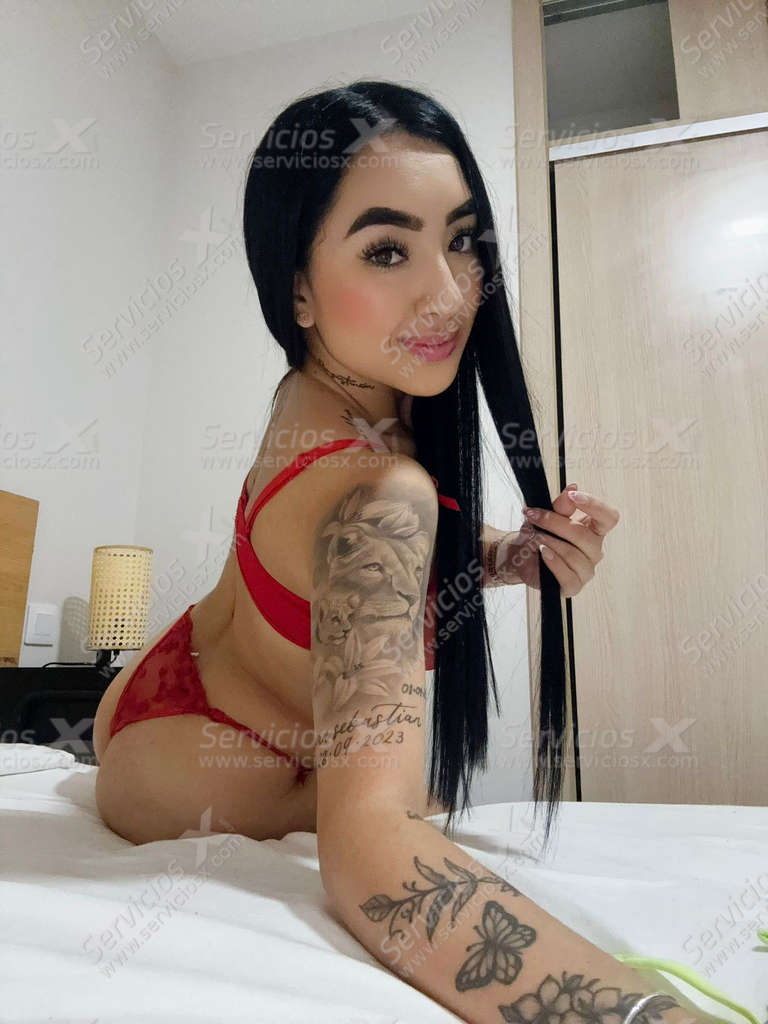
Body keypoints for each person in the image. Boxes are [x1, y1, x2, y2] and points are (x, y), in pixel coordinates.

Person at [90, 81, 702, 1024]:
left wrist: (507, 557)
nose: (449, 293)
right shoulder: (382, 487)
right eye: (386, 250)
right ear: (298, 287)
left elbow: (343, 567)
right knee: (406, 801)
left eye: (461, 240)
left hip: (169, 684)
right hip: (190, 767)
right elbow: (369, 850)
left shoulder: (331, 397)